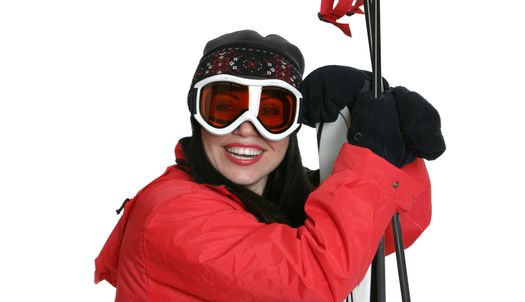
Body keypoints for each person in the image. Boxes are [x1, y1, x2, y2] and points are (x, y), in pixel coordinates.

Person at [95, 30, 445, 301]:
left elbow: (391, 230)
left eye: (271, 113)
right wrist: (372, 154)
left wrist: (383, 139)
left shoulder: (284, 200)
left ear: (293, 124)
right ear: (198, 117)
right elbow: (312, 283)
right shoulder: (171, 214)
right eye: (225, 108)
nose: (247, 129)